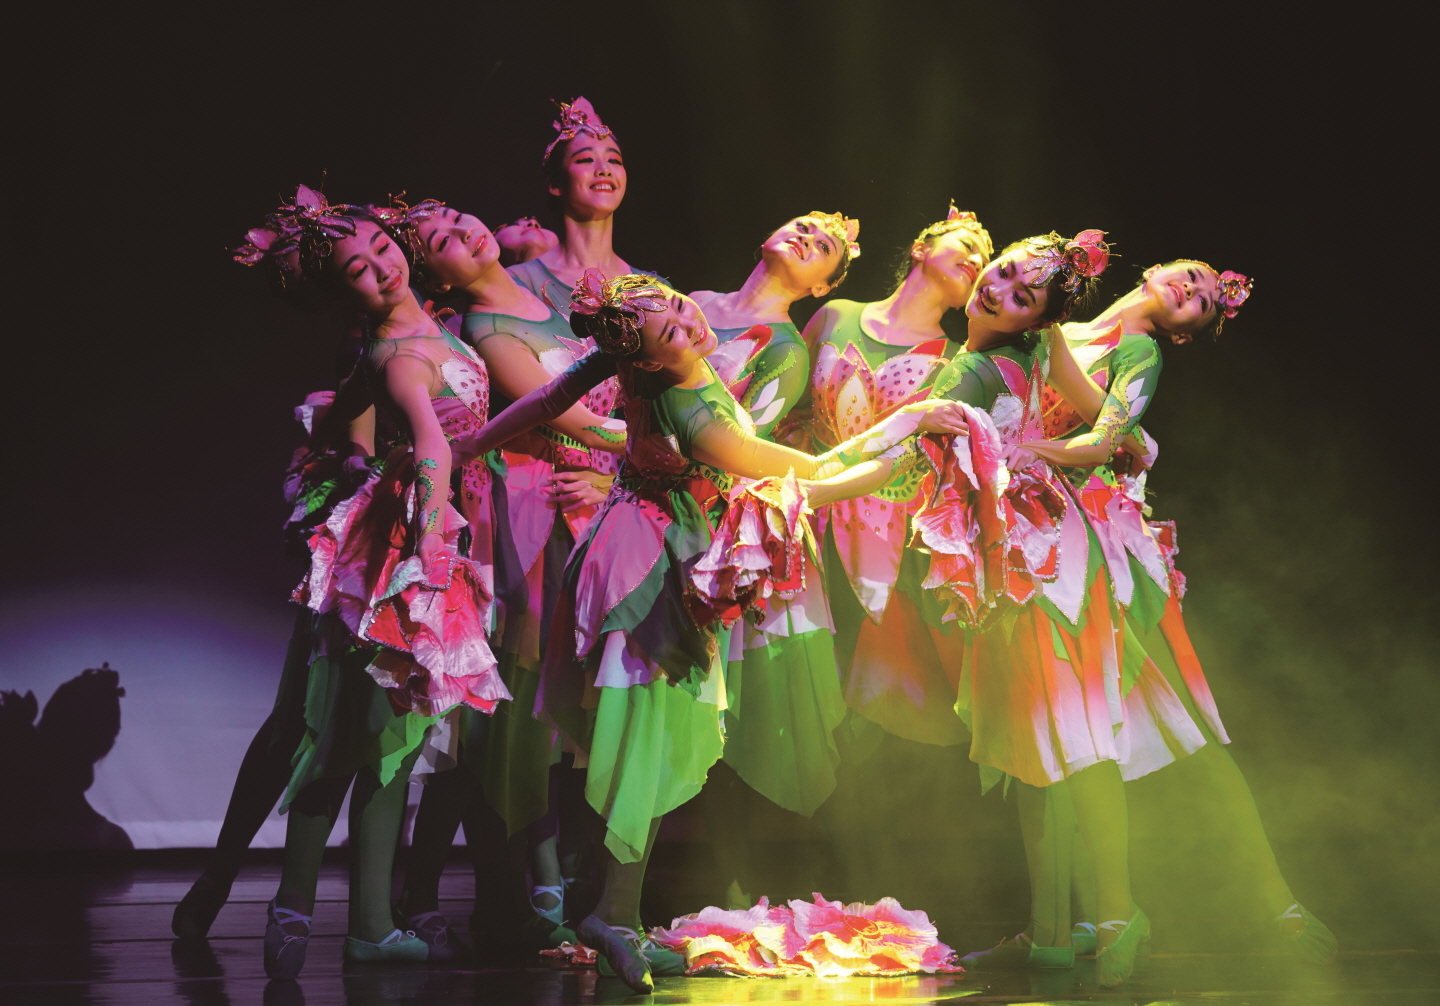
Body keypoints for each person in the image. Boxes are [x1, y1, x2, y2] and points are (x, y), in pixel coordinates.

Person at [540, 270, 970, 993]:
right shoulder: (695, 412)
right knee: (645, 740)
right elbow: (810, 475)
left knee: (649, 738)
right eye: (671, 331)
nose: (690, 325)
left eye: (680, 306)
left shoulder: (647, 361)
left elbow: (552, 401)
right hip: (648, 571)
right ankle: (608, 915)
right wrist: (905, 435)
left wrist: (481, 440)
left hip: (644, 548)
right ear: (646, 357)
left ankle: (613, 910)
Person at [1027, 260, 1336, 965]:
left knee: (1178, 729)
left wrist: (1018, 452)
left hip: (1098, 547)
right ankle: (1059, 925)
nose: (1191, 290)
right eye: (1190, 277)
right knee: (1050, 732)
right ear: (1153, 270)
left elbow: (1104, 442)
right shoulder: (1059, 327)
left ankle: (1276, 903)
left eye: (1201, 301)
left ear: (1187, 334)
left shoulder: (1138, 350)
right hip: (1034, 534)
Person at [263, 198, 508, 978]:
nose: (380, 269)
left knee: (392, 743)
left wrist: (339, 431)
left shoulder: (429, 329)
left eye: (380, 248)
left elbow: (358, 418)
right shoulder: (400, 353)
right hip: (405, 548)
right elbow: (432, 441)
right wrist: (430, 534)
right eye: (357, 272)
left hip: (432, 533)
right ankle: (296, 907)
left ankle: (368, 924)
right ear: (345, 294)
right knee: (353, 738)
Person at [378, 199, 625, 953]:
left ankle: (538, 877)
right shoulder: (484, 327)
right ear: (435, 275)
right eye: (444, 241)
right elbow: (564, 416)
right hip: (523, 506)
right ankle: (503, 884)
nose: (467, 232)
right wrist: (661, 448)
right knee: (500, 706)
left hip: (586, 502)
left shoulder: (550, 301)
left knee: (547, 708)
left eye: (461, 219)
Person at [173, 187, 378, 939]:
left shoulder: (430, 317)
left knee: (376, 726)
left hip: (437, 520)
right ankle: (231, 872)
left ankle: (386, 906)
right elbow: (361, 447)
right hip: (366, 526)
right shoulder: (366, 340)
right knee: (302, 716)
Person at [683, 211, 857, 907]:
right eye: (805, 225)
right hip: (649, 501)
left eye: (825, 247)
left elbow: (736, 445)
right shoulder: (695, 303)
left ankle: (740, 882)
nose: (808, 236)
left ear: (821, 287)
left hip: (718, 526)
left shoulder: (785, 349)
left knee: (730, 705)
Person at [508, 98, 657, 314]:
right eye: (586, 159)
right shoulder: (518, 283)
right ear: (555, 184)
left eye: (614, 160)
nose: (604, 169)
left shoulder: (652, 289)